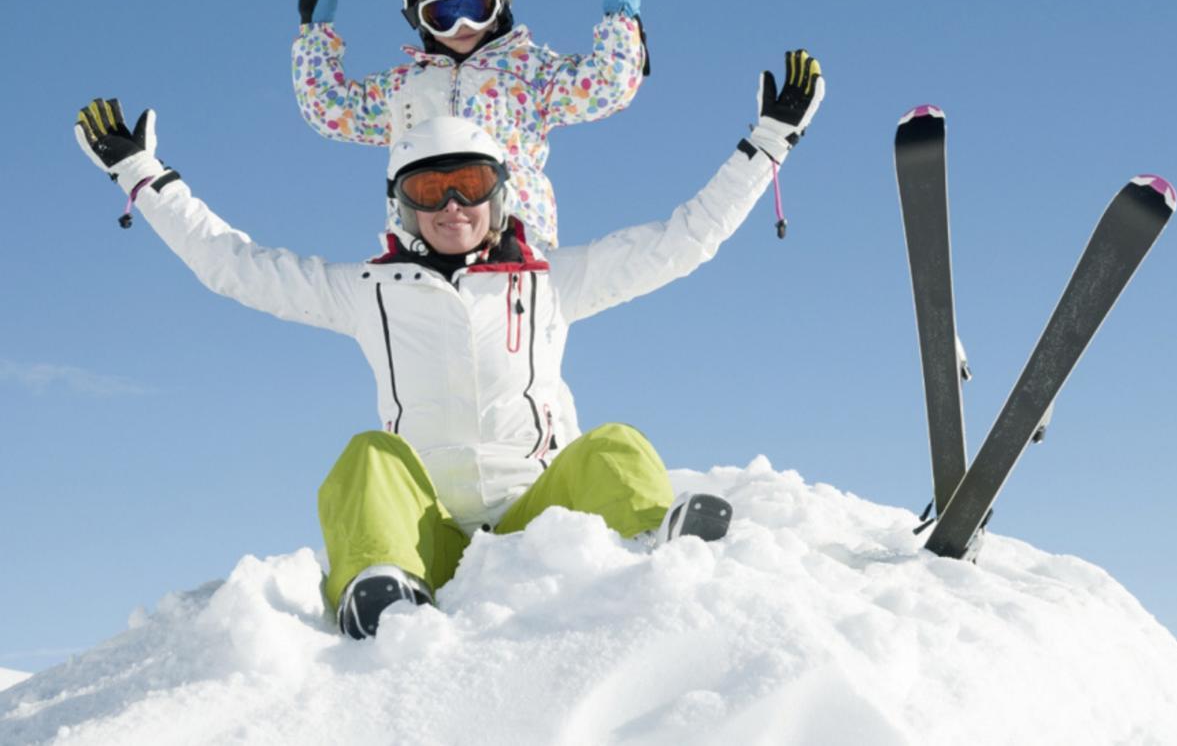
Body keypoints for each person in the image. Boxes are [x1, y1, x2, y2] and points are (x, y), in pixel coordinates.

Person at [75, 50, 824, 639]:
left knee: (615, 444)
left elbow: (681, 241)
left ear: (500, 193)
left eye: (468, 183)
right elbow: (233, 265)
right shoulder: (367, 290)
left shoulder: (551, 280)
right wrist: (144, 175)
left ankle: (652, 539)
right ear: (401, 205)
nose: (453, 206)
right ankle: (379, 587)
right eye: (430, 192)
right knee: (368, 458)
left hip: (541, 519)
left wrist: (768, 141)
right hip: (429, 528)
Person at [293, 0, 652, 250]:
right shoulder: (402, 86)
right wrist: (315, 35)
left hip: (511, 233)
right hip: (424, 235)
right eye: (442, 15)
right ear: (419, 20)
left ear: (500, 2)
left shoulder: (530, 70)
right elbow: (331, 110)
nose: (462, 25)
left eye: (476, 7)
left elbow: (608, 84)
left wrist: (620, 16)